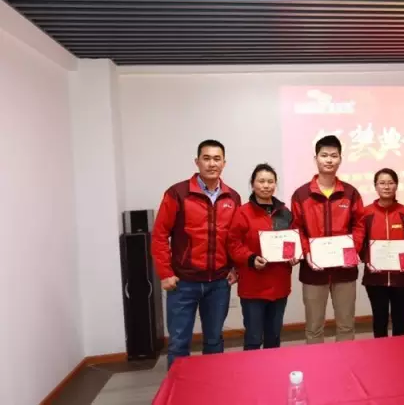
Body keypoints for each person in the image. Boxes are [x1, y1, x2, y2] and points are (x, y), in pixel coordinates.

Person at [151, 140, 241, 369]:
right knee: (179, 343)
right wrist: (165, 273)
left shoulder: (232, 197)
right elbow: (160, 235)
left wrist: (235, 267)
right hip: (183, 283)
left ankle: (211, 386)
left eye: (217, 159)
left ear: (224, 163)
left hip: (218, 283)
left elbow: (235, 238)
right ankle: (178, 389)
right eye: (206, 158)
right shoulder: (178, 193)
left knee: (214, 340)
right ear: (197, 161)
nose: (212, 163)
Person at [291, 135, 364, 344]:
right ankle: (317, 364)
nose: (329, 160)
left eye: (334, 155)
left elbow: (359, 225)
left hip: (344, 270)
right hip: (313, 270)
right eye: (324, 155)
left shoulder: (350, 193)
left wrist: (353, 249)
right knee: (314, 327)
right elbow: (297, 228)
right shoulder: (301, 194)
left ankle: (346, 363)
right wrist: (307, 252)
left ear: (340, 159)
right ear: (316, 159)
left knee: (346, 325)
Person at [227, 163, 299, 351]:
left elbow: (293, 240)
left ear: (275, 184)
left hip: (279, 284)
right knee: (253, 337)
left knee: (273, 337)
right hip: (253, 286)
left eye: (270, 181)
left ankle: (272, 369)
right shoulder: (242, 212)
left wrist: (294, 255)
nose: (266, 185)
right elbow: (233, 244)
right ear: (253, 184)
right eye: (261, 181)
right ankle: (252, 369)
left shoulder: (285, 212)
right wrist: (251, 259)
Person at [353, 168, 404, 338]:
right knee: (379, 319)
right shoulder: (366, 213)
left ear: (397, 185)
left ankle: (401, 351)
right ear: (375, 186)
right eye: (382, 183)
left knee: (400, 319)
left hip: (401, 277)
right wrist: (365, 258)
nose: (386, 187)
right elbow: (359, 239)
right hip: (375, 277)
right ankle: (380, 352)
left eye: (390, 183)